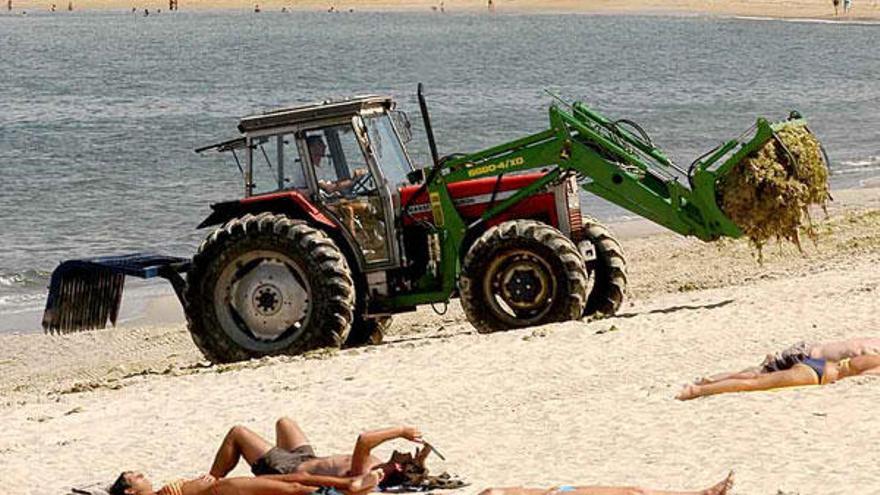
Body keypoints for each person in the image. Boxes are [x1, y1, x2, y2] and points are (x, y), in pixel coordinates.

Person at [109, 418, 424, 495]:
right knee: (295, 482)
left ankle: (347, 487)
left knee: (295, 481)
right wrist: (402, 432)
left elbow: (364, 441)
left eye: (135, 473)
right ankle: (347, 487)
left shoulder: (371, 466)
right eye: (136, 476)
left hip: (221, 489)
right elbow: (364, 440)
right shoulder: (373, 466)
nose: (142, 474)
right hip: (220, 490)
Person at [678, 354, 880, 400]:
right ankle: (697, 391)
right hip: (817, 375)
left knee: (756, 376)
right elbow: (863, 378)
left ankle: (711, 381)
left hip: (820, 364)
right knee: (754, 384)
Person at [694, 337, 880, 384]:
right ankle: (713, 380)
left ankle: (715, 379)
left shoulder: (872, 344)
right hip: (804, 356)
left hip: (808, 351)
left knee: (758, 373)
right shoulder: (871, 351)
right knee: (756, 375)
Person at [477, 472, 734, 495]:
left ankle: (703, 494)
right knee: (635, 492)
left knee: (636, 492)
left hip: (560, 491)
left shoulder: (490, 493)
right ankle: (703, 494)